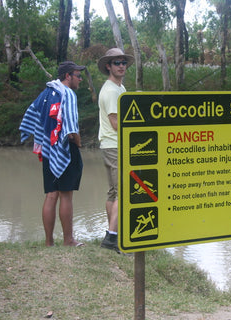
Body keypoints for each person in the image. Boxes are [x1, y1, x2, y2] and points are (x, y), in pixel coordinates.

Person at [19, 61, 86, 247]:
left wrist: (37, 137)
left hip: (49, 149)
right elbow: (71, 129)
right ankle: (68, 240)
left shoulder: (46, 93)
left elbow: (31, 115)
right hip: (65, 149)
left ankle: (49, 242)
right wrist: (79, 144)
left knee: (51, 194)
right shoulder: (69, 94)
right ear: (68, 76)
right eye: (77, 75)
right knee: (66, 195)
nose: (80, 79)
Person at [97, 48, 134, 251]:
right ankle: (112, 238)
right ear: (108, 66)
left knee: (113, 192)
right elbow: (115, 122)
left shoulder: (119, 88)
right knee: (123, 192)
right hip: (114, 145)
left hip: (111, 145)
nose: (121, 66)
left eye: (123, 62)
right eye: (117, 63)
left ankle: (113, 232)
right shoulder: (111, 91)